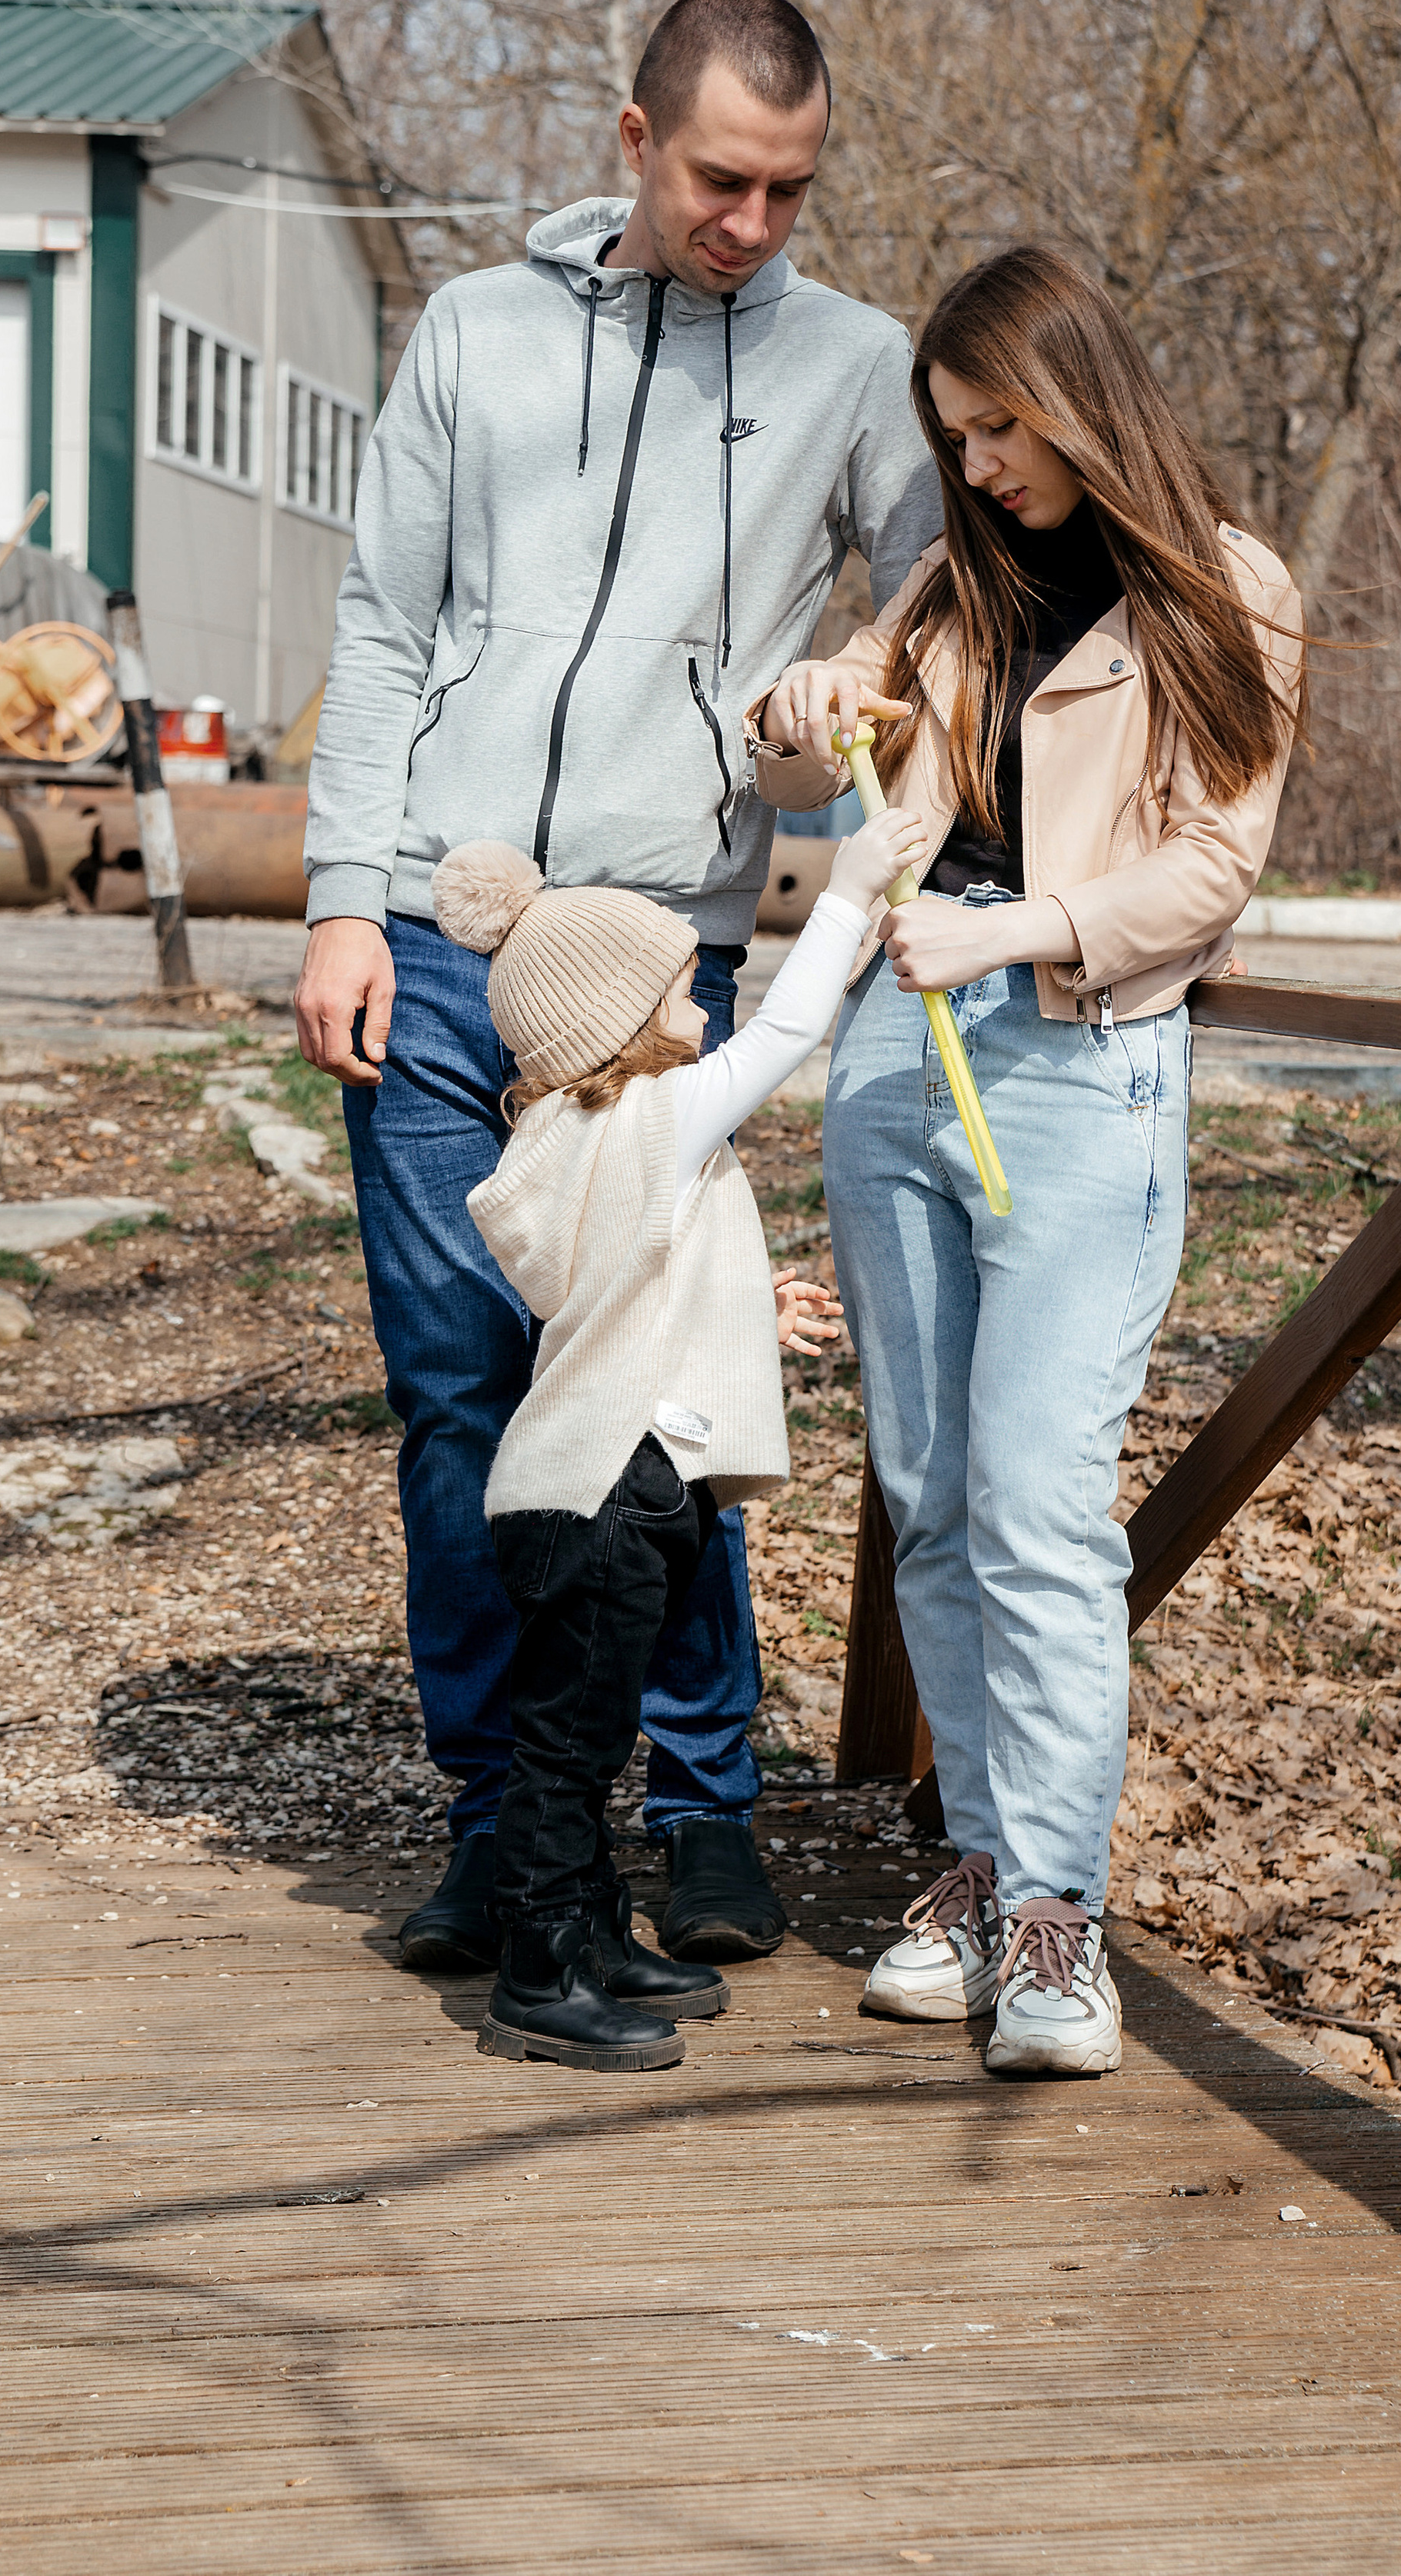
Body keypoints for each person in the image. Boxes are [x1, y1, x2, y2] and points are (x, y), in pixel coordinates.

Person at [294, 0, 942, 1975]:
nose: (755, 222)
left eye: (792, 188)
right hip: (437, 931)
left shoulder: (853, 362)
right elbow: (389, 625)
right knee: (461, 1390)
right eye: (722, 179)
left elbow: (949, 576)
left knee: (666, 1385)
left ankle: (705, 1798)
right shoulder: (478, 334)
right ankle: (504, 1820)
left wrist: (860, 676)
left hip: (670, 948)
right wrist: (338, 894)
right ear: (638, 135)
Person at [749, 245, 1305, 2078]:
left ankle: (1061, 1922)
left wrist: (1017, 931)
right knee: (927, 1493)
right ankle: (978, 1867)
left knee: (1039, 1503)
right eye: (954, 433)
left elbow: (1211, 870)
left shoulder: (1232, 594)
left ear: (1082, 399)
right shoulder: (943, 585)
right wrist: (801, 714)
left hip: (1077, 1066)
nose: (978, 466)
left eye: (1001, 427)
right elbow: (814, 784)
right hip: (897, 1056)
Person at [427, 801, 926, 2068]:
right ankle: (539, 1976)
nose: (699, 1013)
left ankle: (588, 1932)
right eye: (673, 997)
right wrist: (853, 887)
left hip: (580, 1482)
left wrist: (743, 1299)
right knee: (568, 1749)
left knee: (583, 1733)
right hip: (612, 1486)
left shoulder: (560, 1143)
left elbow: (618, 1279)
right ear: (613, 1029)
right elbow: (794, 1025)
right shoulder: (653, 1120)